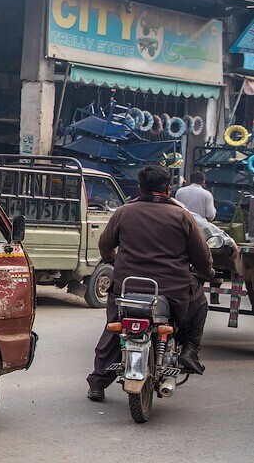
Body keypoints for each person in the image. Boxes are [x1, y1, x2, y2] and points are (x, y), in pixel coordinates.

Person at [86, 165, 212, 402]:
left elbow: (105, 246)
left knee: (115, 326)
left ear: (140, 187)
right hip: (172, 291)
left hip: (126, 287)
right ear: (169, 188)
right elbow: (202, 257)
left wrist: (114, 260)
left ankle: (98, 382)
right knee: (200, 303)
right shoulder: (182, 216)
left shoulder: (124, 212)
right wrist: (207, 272)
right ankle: (190, 350)